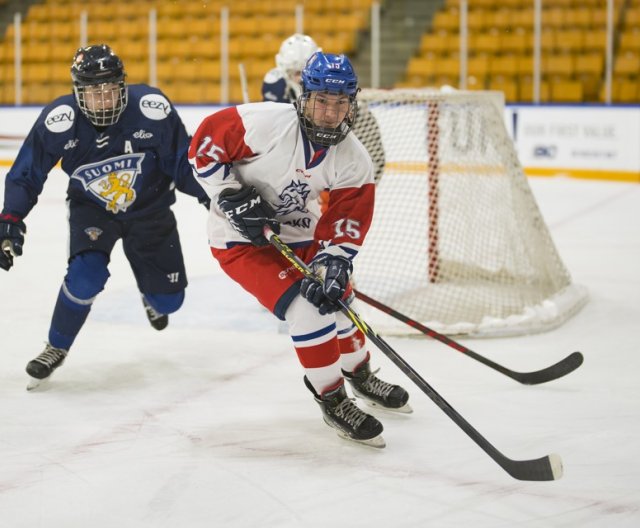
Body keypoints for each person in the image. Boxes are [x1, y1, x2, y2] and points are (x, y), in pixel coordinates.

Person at [189, 52, 410, 448]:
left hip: (299, 231)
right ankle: (332, 398)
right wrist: (227, 195)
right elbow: (204, 144)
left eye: (339, 103)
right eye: (321, 101)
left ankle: (359, 375)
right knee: (306, 309)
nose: (329, 112)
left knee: (339, 298)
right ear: (303, 98)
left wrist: (335, 261)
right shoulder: (264, 123)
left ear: (351, 105)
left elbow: (345, 221)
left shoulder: (354, 159)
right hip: (241, 240)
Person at [0, 44, 210, 389]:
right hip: (93, 210)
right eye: (93, 92)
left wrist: (211, 195)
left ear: (122, 86)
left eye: (110, 90)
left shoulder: (151, 109)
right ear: (77, 92)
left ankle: (151, 292)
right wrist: (10, 218)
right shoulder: (60, 120)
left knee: (170, 302)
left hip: (151, 209)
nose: (104, 100)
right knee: (85, 276)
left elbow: (182, 162)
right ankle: (56, 346)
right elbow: (27, 173)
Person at [261, 33, 386, 186]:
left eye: (304, 71)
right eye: (296, 73)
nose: (301, 79)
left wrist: (348, 187)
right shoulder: (278, 102)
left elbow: (374, 162)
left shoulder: (358, 114)